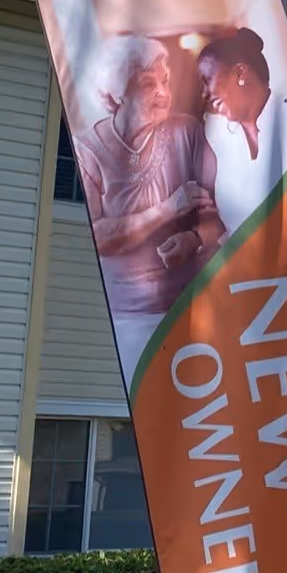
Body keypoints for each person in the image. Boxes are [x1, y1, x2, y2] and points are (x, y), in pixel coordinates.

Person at [71, 36, 219, 378]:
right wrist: (168, 209)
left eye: (165, 81)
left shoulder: (187, 132)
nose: (163, 93)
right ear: (116, 92)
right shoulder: (87, 150)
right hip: (123, 319)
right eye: (147, 84)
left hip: (189, 312)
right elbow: (99, 234)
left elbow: (221, 216)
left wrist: (195, 239)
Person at [197, 28, 287, 235]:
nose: (203, 94)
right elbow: (229, 224)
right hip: (243, 265)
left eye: (207, 79)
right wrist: (195, 238)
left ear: (240, 73)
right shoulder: (216, 134)